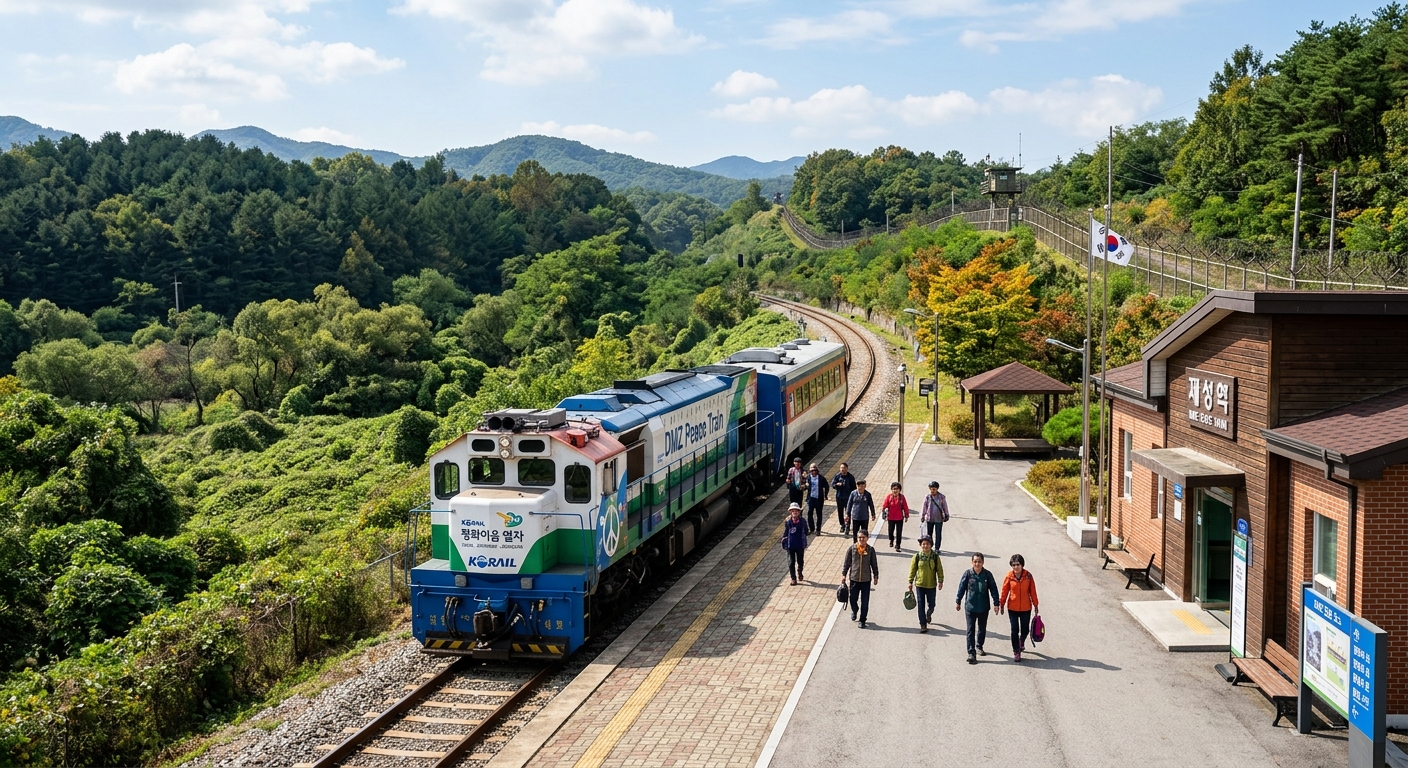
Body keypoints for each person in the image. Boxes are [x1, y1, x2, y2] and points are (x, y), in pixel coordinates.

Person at [955, 552, 1000, 664]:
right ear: (972, 562)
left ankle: (979, 646)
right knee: (970, 630)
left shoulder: (987, 575)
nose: (977, 564)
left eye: (979, 561)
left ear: (983, 562)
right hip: (970, 607)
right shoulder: (968, 574)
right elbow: (961, 587)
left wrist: (996, 603)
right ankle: (971, 653)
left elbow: (993, 589)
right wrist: (958, 600)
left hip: (983, 607)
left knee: (982, 628)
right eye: (975, 561)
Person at [999, 553, 1039, 661]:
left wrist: (1035, 604)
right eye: (1014, 565)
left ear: (1022, 565)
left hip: (1026, 608)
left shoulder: (1028, 576)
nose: (1016, 567)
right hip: (1012, 608)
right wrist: (1001, 604)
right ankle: (1016, 651)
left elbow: (1032, 591)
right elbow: (1004, 591)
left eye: (1018, 564)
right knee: (1014, 630)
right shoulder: (1009, 576)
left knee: (1025, 629)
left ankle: (1021, 641)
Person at [842, 530, 880, 628]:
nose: (861, 539)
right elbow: (847, 563)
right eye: (859, 537)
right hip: (854, 579)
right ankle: (855, 610)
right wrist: (844, 575)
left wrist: (876, 576)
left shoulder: (870, 550)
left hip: (866, 580)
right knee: (852, 599)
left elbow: (874, 564)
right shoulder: (852, 549)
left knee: (865, 602)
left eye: (863, 537)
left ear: (867, 538)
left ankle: (862, 619)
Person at [907, 535, 944, 633]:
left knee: (932, 605)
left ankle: (929, 614)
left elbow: (939, 569)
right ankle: (923, 624)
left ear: (931, 545)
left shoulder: (935, 556)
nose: (925, 546)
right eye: (923, 544)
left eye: (927, 544)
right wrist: (910, 581)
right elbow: (912, 570)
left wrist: (940, 581)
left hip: (931, 585)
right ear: (920, 545)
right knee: (920, 604)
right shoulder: (917, 556)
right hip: (920, 585)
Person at [781, 503, 809, 585]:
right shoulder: (788, 522)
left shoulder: (802, 521)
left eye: (796, 511)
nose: (794, 512)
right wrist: (783, 539)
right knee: (791, 562)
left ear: (799, 512)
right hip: (790, 546)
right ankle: (793, 578)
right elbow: (786, 532)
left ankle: (800, 572)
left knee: (800, 561)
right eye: (792, 511)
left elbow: (806, 531)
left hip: (800, 545)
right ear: (790, 512)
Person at [920, 481, 949, 553]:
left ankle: (937, 548)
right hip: (929, 518)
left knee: (938, 534)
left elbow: (945, 506)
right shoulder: (927, 497)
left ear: (937, 489)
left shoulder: (941, 497)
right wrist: (922, 516)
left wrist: (946, 514)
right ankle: (930, 547)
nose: (932, 491)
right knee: (929, 534)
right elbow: (924, 507)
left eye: (934, 489)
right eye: (931, 489)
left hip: (939, 519)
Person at [882, 482, 910, 551]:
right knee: (890, 531)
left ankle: (898, 545)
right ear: (891, 490)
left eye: (897, 489)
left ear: (899, 490)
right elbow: (884, 506)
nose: (895, 490)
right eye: (894, 489)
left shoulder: (902, 498)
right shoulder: (889, 497)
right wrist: (884, 513)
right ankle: (891, 539)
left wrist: (906, 515)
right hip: (891, 518)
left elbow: (905, 507)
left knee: (899, 532)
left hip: (899, 518)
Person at [831, 462, 857, 535]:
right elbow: (833, 485)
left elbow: (854, 488)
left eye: (844, 468)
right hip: (839, 497)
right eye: (841, 468)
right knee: (840, 512)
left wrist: (854, 498)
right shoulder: (837, 476)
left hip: (848, 498)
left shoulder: (850, 477)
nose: (842, 469)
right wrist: (837, 484)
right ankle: (842, 525)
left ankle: (847, 525)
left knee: (848, 512)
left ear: (847, 469)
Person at [805, 463, 829, 534]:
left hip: (819, 499)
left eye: (815, 470)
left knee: (819, 514)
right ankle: (811, 528)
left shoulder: (821, 478)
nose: (814, 472)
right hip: (811, 499)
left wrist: (825, 495)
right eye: (812, 471)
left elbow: (827, 486)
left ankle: (818, 529)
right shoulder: (808, 478)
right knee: (809, 514)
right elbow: (805, 486)